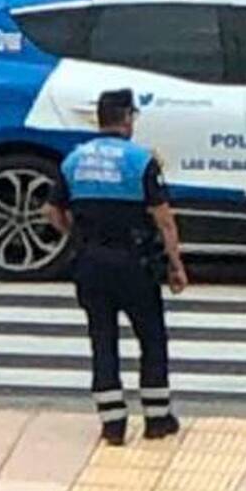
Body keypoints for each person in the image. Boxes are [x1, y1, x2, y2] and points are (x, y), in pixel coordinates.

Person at [44, 89, 189, 446]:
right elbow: (164, 219)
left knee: (102, 340)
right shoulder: (139, 160)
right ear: (126, 119)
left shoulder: (75, 160)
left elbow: (50, 211)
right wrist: (175, 264)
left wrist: (75, 236)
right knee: (152, 338)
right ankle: (157, 419)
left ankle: (113, 425)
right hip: (133, 263)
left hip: (90, 262)